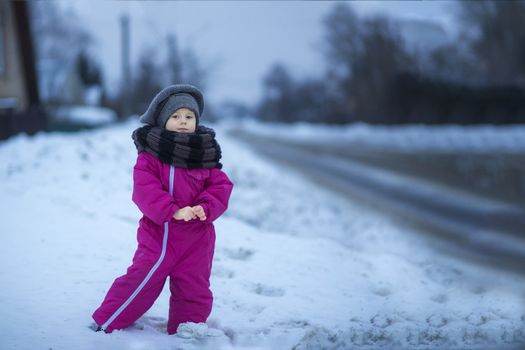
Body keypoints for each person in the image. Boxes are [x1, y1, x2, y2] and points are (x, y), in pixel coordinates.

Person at [91, 84, 234, 336]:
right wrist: (172, 210)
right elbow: (144, 189)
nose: (182, 122)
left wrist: (205, 207)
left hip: (197, 240)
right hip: (160, 234)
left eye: (189, 117)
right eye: (176, 116)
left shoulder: (204, 153)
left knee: (194, 288)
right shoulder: (152, 155)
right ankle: (108, 320)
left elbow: (220, 186)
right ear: (163, 120)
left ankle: (187, 330)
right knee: (141, 280)